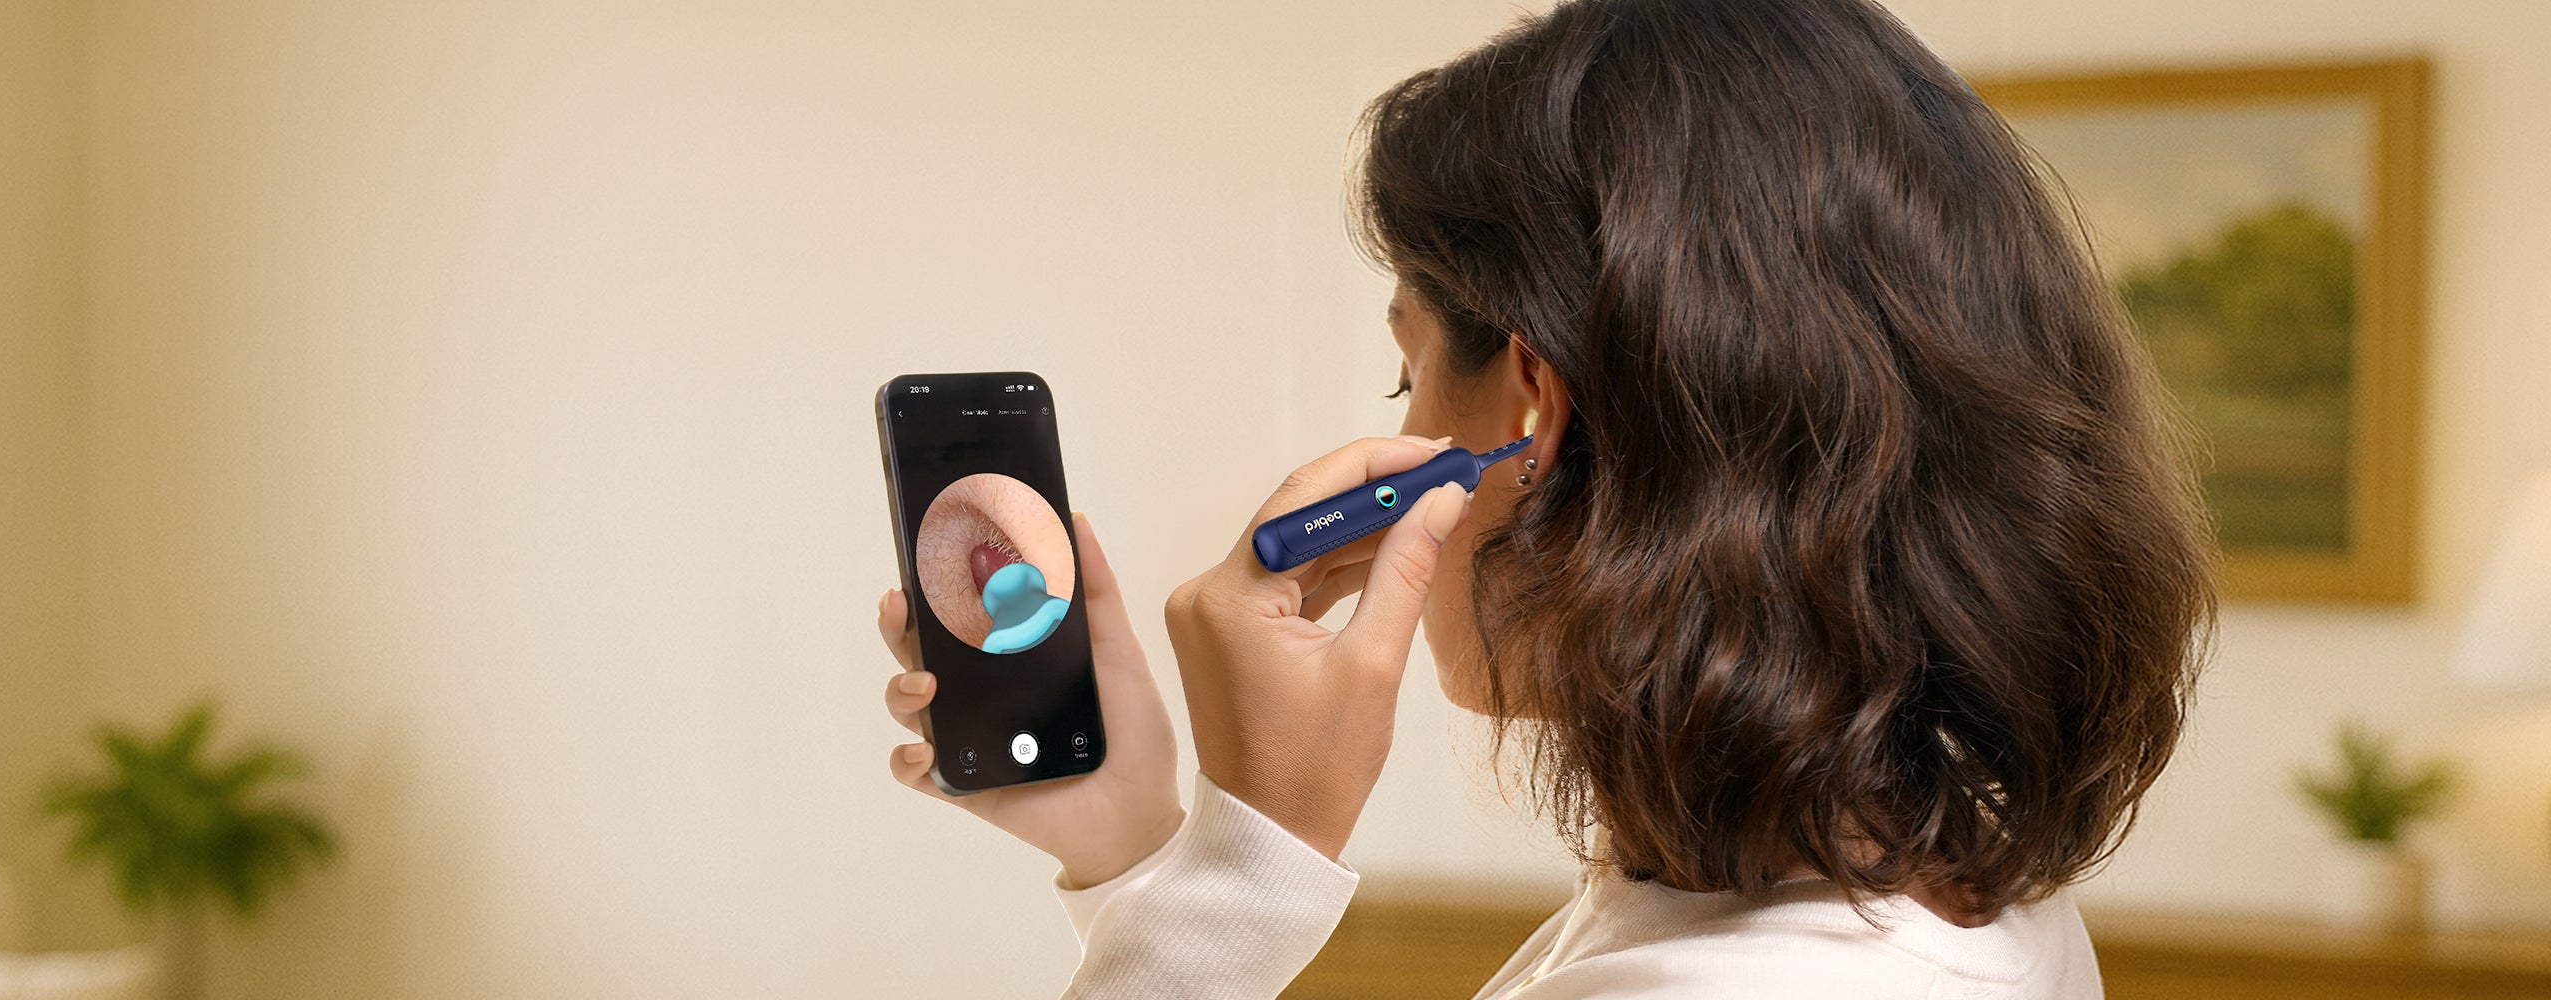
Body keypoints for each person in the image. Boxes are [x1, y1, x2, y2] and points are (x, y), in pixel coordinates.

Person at [875, 0, 2216, 995]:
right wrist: (1136, 857)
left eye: (1407, 373)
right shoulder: (1940, 887)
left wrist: (1249, 870)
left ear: (1528, 411)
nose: (1395, 432)